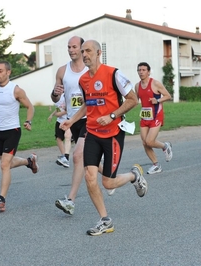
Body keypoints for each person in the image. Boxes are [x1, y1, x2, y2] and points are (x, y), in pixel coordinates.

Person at [60, 40, 148, 236]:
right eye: (82, 51)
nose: (84, 54)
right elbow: (87, 105)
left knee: (108, 182)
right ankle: (105, 219)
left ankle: (134, 175)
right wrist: (72, 120)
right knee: (90, 176)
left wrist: (112, 116)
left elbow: (133, 99)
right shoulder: (83, 80)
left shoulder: (113, 73)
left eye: (88, 50)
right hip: (92, 132)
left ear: (99, 53)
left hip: (113, 133)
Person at [0, 61, 39, 211]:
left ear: (8, 72)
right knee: (7, 163)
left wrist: (28, 120)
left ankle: (1, 201)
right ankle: (29, 161)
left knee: (4, 165)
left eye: (0, 71)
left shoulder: (16, 90)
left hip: (13, 130)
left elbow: (30, 106)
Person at [51, 36, 89, 215]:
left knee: (77, 156)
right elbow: (55, 97)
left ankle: (70, 200)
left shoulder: (90, 70)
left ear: (82, 49)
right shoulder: (62, 71)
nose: (71, 50)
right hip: (72, 119)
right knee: (89, 162)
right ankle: (120, 177)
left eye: (74, 47)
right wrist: (55, 93)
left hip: (90, 119)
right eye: (69, 47)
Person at [134, 62, 173, 174]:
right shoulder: (137, 86)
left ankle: (165, 146)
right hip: (144, 116)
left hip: (156, 115)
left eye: (143, 70)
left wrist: (158, 100)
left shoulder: (155, 84)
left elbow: (168, 96)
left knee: (150, 141)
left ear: (148, 71)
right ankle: (156, 165)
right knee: (145, 142)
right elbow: (136, 100)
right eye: (139, 70)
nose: (141, 72)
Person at [48, 93, 72, 168]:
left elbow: (70, 108)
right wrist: (52, 115)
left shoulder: (67, 94)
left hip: (68, 120)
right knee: (59, 138)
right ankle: (64, 156)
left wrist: (61, 113)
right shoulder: (58, 97)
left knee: (67, 136)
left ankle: (66, 157)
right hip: (59, 121)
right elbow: (58, 108)